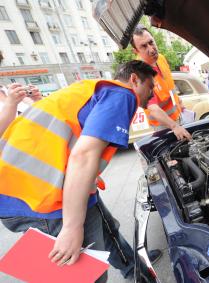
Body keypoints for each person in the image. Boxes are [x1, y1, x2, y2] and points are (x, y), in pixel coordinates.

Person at [0, 60, 156, 282]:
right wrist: (72, 227)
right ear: (134, 80)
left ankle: (138, 275)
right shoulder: (122, 95)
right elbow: (83, 156)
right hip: (46, 200)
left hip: (19, 191)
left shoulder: (90, 88)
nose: (152, 94)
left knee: (108, 232)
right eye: (150, 87)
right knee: (87, 276)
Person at [130, 24, 192, 140]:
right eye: (144, 46)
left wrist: (180, 103)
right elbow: (153, 109)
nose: (151, 49)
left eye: (151, 42)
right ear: (135, 51)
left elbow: (169, 87)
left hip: (178, 116)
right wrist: (174, 126)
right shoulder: (140, 74)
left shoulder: (161, 59)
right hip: (163, 125)